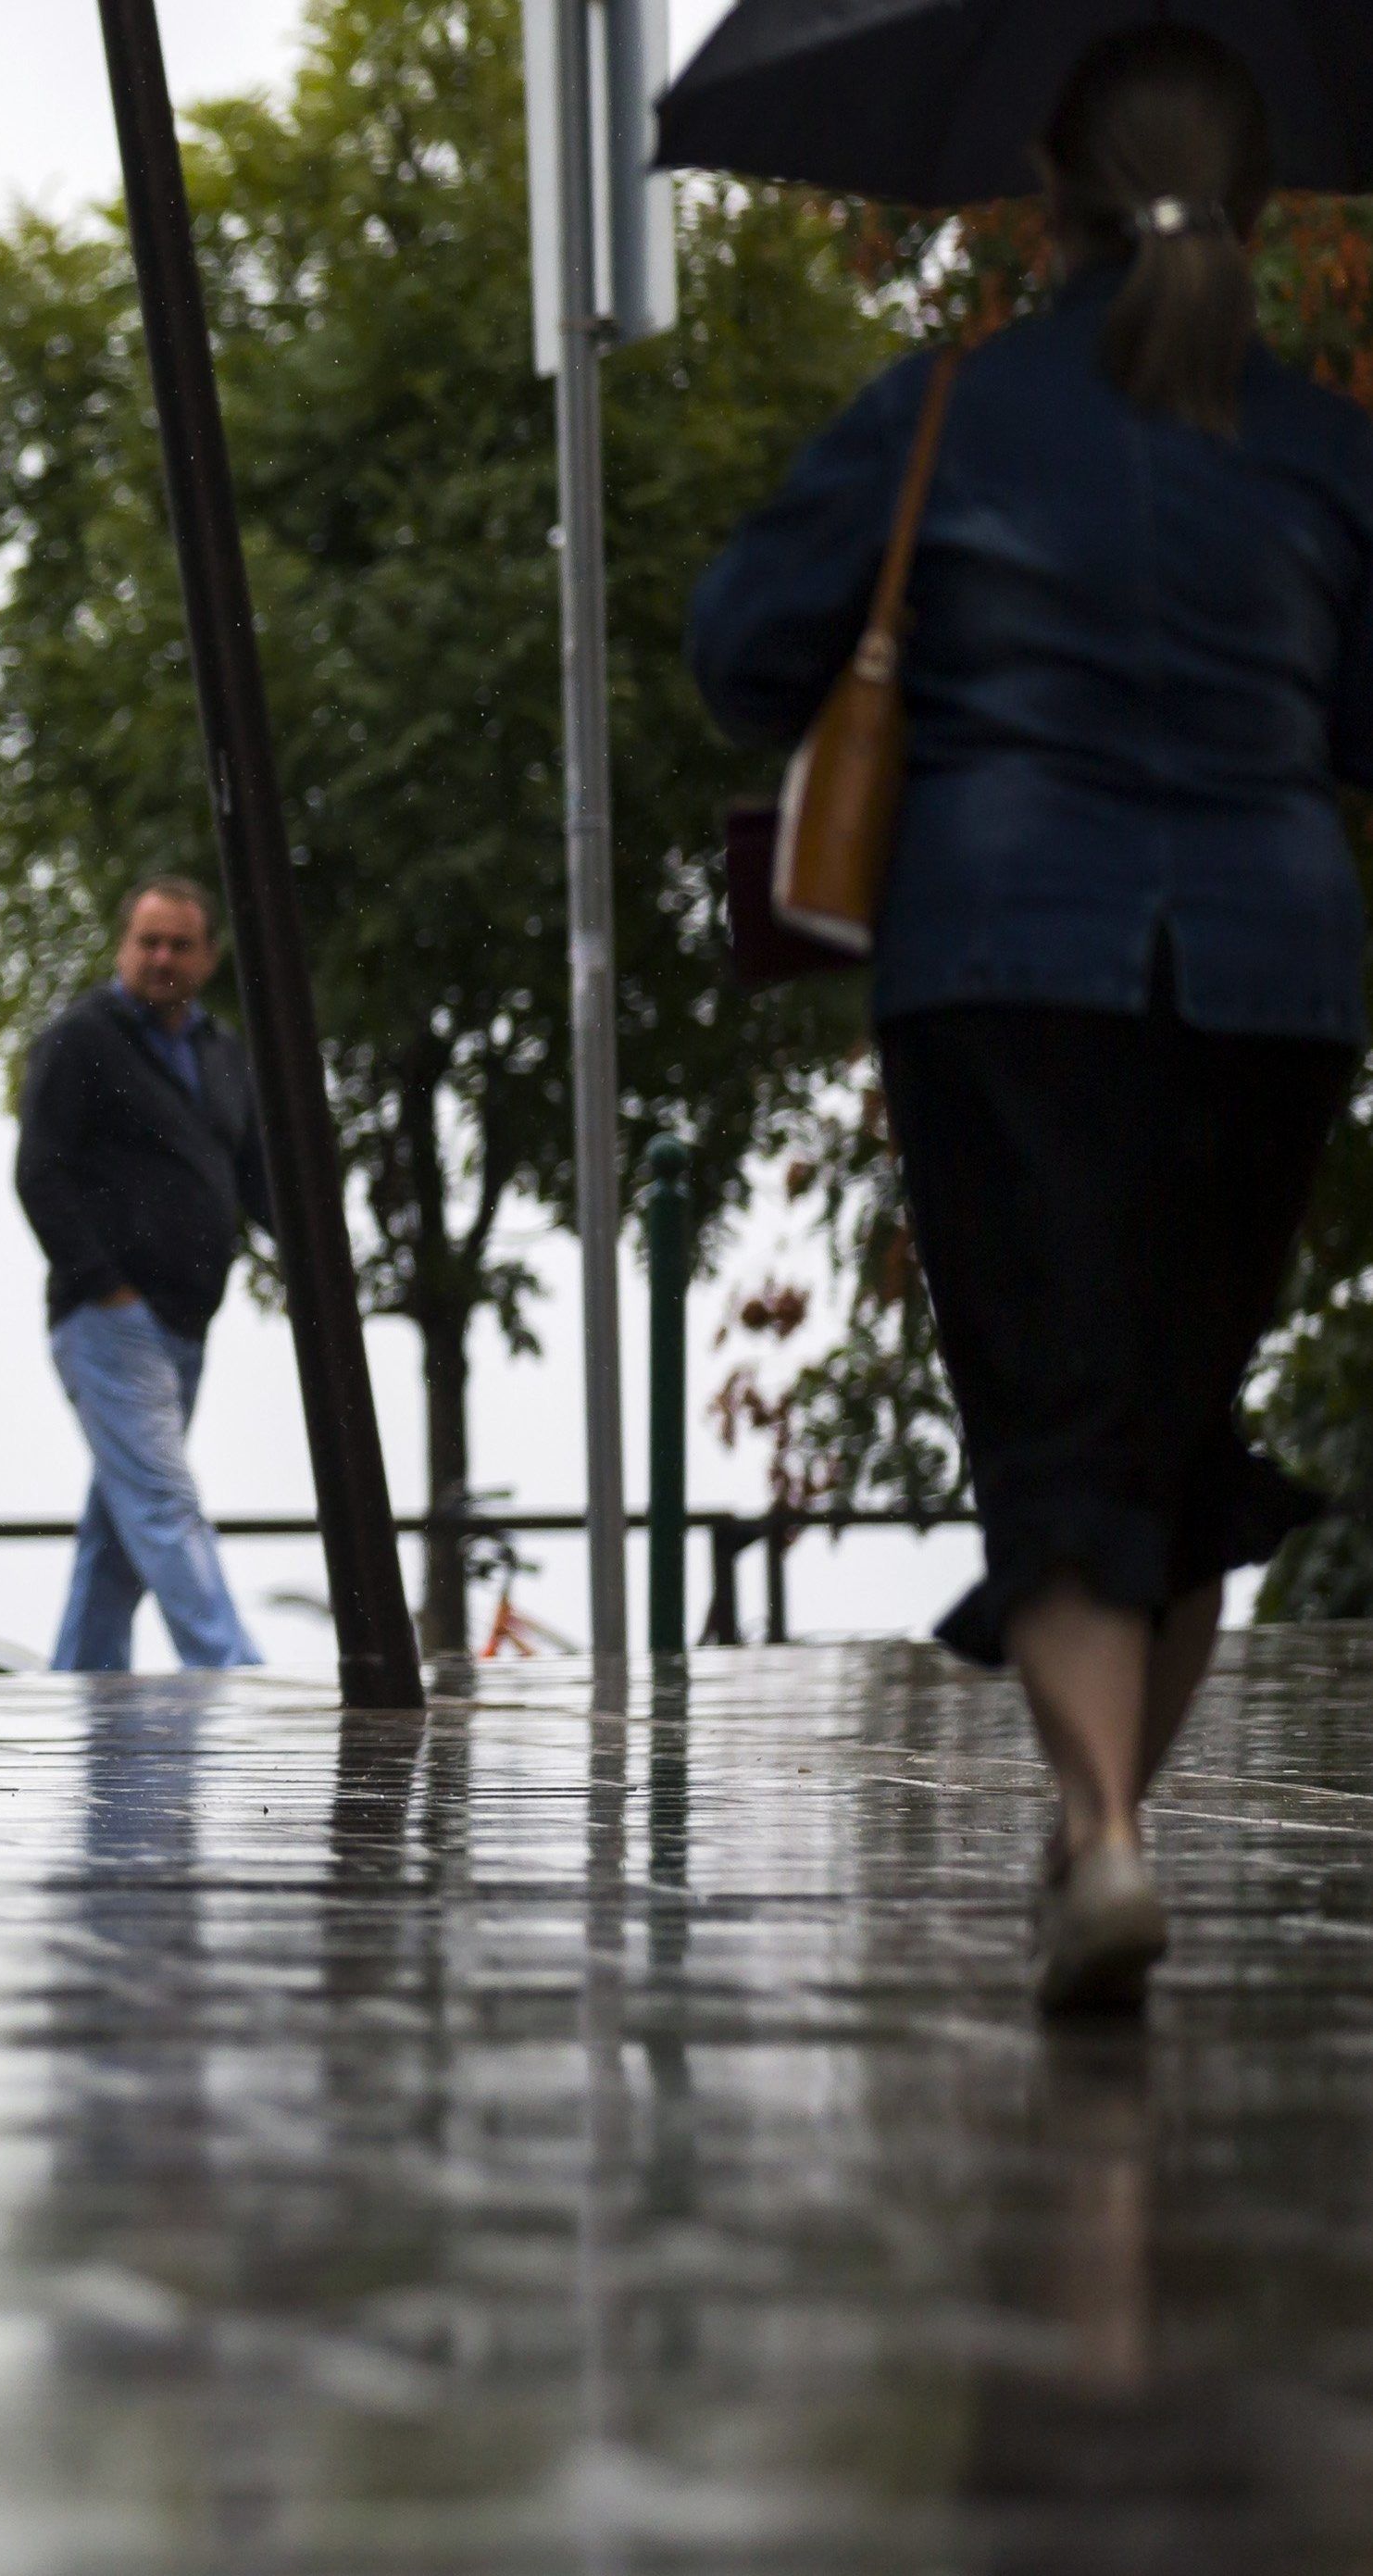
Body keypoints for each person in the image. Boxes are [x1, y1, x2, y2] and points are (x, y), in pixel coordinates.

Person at [691, 27, 1373, 2014]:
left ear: (1044, 193)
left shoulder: (943, 417)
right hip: (1264, 971)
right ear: (1260, 209)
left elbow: (744, 652)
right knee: (1167, 1415)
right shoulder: (1331, 450)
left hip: (1002, 966)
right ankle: (1102, 1835)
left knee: (1058, 1412)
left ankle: (1099, 1832)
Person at [15, 876, 270, 1674]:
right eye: (147, 941)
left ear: (208, 954)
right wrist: (105, 1285)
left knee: (121, 1529)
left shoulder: (220, 1052)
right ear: (123, 946)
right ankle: (234, 1670)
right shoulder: (81, 1040)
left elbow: (255, 1172)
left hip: (189, 1318)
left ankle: (81, 1678)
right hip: (112, 1319)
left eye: (179, 944)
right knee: (163, 1504)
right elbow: (39, 1173)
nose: (161, 957)